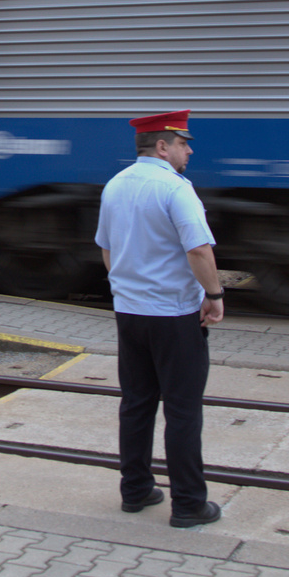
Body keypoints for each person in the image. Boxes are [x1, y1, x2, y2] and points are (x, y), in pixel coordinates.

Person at [94, 109, 224, 528]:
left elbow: (107, 249)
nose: (189, 150)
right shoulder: (175, 188)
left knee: (136, 403)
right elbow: (199, 251)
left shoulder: (115, 186)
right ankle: (188, 504)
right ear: (163, 146)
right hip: (173, 314)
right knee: (183, 410)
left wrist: (126, 288)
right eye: (183, 143)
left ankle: (134, 490)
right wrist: (214, 294)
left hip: (129, 314)